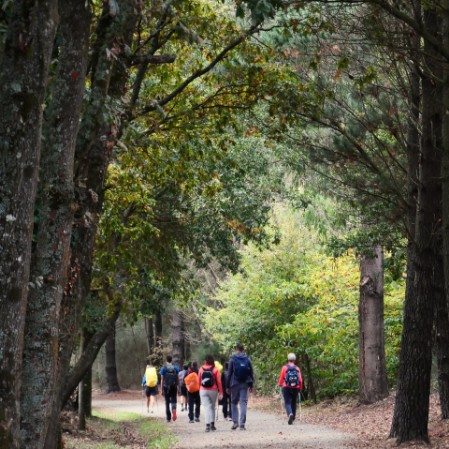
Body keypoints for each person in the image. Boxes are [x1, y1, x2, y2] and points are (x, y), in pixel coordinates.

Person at [227, 344, 254, 430]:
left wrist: (227, 386)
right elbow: (251, 372)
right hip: (245, 383)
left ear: (236, 349)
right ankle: (242, 424)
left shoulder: (233, 359)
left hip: (234, 383)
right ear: (243, 349)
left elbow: (229, 373)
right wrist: (251, 384)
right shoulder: (247, 359)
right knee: (243, 403)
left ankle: (235, 422)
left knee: (234, 403)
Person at [198, 354, 223, 432]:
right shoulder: (215, 369)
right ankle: (212, 424)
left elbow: (198, 380)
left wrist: (200, 389)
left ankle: (207, 425)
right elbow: (219, 382)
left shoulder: (201, 369)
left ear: (205, 361)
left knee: (206, 407)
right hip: (213, 390)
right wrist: (221, 392)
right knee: (212, 407)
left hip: (203, 390)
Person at [277, 352, 303, 425]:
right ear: (294, 360)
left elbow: (281, 378)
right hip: (296, 387)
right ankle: (293, 417)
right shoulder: (297, 368)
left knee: (287, 402)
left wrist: (279, 384)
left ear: (288, 359)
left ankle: (290, 414)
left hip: (286, 387)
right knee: (293, 402)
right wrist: (300, 388)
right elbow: (300, 380)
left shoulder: (284, 367)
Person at [160, 355, 180, 422]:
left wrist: (162, 389)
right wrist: (179, 387)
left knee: (167, 401)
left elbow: (162, 380)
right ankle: (174, 409)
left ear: (166, 360)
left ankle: (168, 418)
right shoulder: (175, 368)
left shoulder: (164, 368)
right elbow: (178, 378)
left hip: (166, 387)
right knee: (174, 399)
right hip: (174, 386)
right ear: (171, 360)